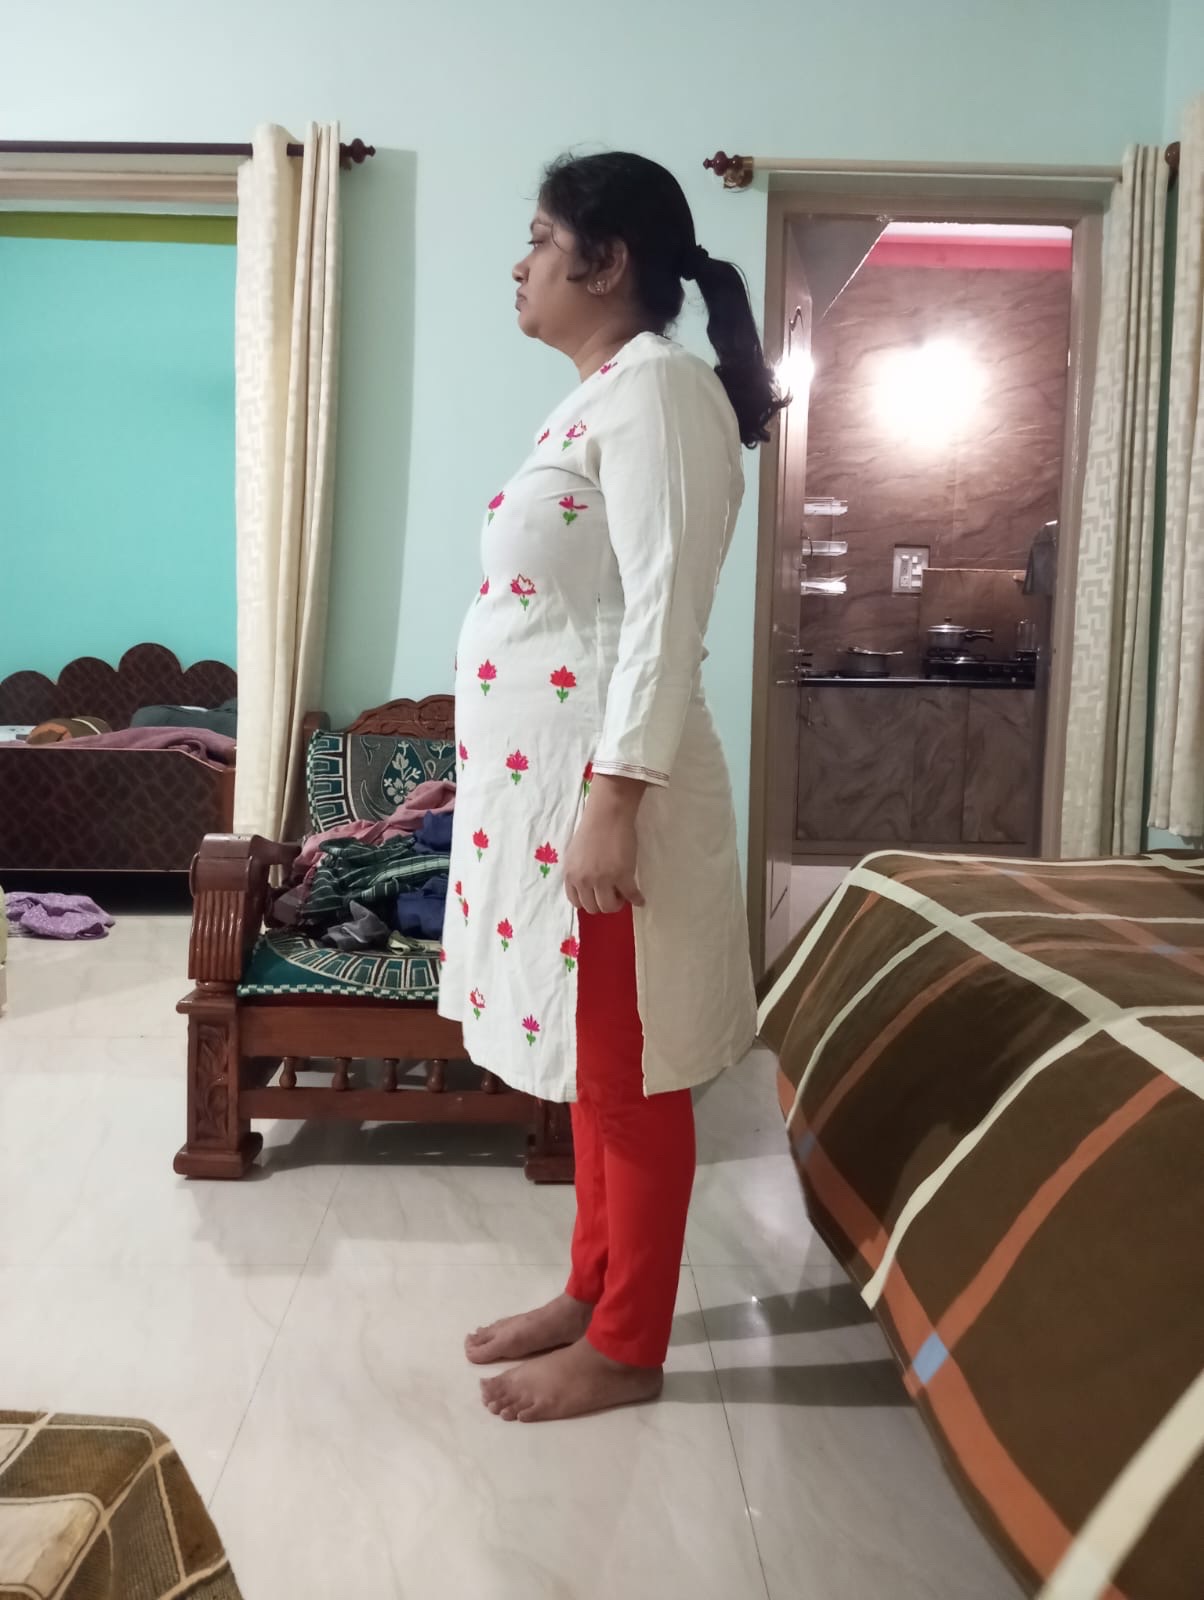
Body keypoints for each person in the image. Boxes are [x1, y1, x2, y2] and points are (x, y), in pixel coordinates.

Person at [438, 150, 784, 1423]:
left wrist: (615, 798)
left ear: (607, 260)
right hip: (553, 799)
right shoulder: (600, 397)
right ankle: (590, 1289)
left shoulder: (662, 394)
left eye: (539, 238)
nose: (519, 263)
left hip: (607, 799)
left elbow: (665, 619)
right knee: (596, 1065)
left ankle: (628, 1344)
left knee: (631, 1070)